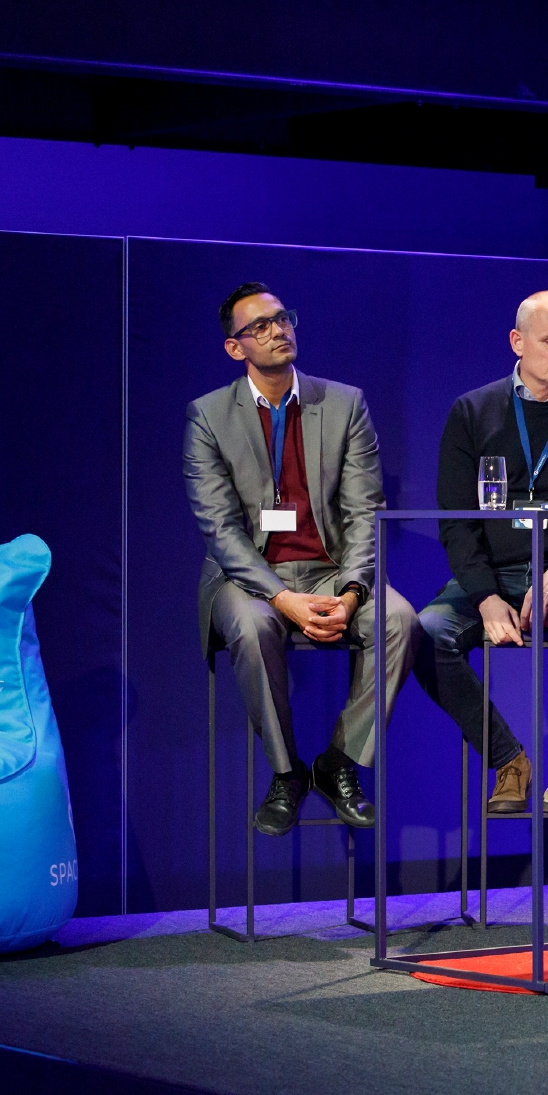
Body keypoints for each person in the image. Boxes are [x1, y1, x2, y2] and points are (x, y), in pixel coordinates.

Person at [184, 282, 417, 835]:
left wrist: (353, 592)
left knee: (400, 620)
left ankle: (340, 761)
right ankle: (287, 772)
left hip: (333, 568)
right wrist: (281, 597)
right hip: (250, 577)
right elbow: (219, 528)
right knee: (250, 624)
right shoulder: (209, 416)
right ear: (234, 347)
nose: (276, 330)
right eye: (258, 326)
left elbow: (366, 512)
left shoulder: (343, 404)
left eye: (281, 318)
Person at [414, 291, 548, 817]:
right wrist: (486, 597)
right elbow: (458, 518)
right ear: (518, 342)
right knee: (423, 633)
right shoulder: (472, 411)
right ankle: (508, 758)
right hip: (496, 571)